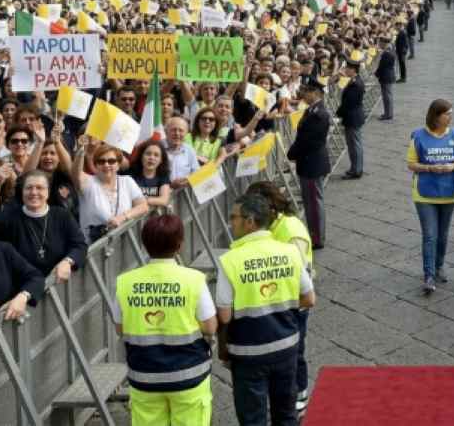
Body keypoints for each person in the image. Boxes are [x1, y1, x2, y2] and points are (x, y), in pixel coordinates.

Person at [216, 194, 315, 426]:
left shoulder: (230, 260)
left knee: (252, 419)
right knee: (286, 415)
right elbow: (309, 299)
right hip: (286, 346)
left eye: (234, 217)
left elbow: (224, 315)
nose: (231, 222)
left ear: (250, 221)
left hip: (247, 352)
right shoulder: (289, 252)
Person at [113, 214, 216, 426]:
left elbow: (120, 328)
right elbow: (210, 327)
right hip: (189, 376)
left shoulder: (125, 282)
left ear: (145, 245)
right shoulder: (194, 279)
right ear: (179, 245)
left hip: (144, 377)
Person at [246, 181, 314, 412]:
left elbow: (299, 274)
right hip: (277, 300)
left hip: (292, 304)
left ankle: (300, 395)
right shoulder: (273, 226)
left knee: (295, 351)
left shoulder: (291, 231)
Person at [407, 99, 454, 294]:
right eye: (447, 114)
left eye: (451, 113)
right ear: (436, 116)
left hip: (449, 192)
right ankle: (429, 275)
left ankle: (439, 265)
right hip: (424, 193)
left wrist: (452, 166)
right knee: (430, 235)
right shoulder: (418, 136)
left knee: (442, 234)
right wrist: (429, 168)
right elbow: (411, 163)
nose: (450, 117)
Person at [0, 170, 86, 283]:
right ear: (22, 191)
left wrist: (68, 261)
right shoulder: (8, 218)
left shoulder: (62, 215)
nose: (34, 192)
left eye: (39, 188)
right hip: (23, 287)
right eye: (29, 188)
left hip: (60, 284)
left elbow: (79, 245)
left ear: (48, 192)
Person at [73, 140, 149, 243]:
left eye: (111, 161)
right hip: (94, 247)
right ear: (95, 165)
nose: (106, 164)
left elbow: (143, 206)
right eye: (101, 161)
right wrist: (81, 151)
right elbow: (76, 173)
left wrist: (123, 217)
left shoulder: (127, 181)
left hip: (123, 244)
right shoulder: (88, 182)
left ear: (118, 164)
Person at [286, 79, 330, 249]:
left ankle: (317, 237)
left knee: (313, 203)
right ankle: (315, 234)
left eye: (306, 91)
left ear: (315, 93)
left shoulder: (318, 114)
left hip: (311, 163)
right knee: (311, 201)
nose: (303, 94)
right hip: (309, 162)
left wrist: (292, 153)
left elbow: (307, 141)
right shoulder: (312, 110)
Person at [337, 59, 365, 180]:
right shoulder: (355, 81)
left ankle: (356, 170)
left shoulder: (355, 84)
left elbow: (348, 103)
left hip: (352, 117)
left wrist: (338, 113)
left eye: (347, 68)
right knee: (354, 144)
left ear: (353, 69)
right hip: (353, 116)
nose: (345, 70)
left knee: (354, 145)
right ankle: (355, 168)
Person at [128, 140, 172, 210]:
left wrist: (141, 201)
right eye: (148, 154)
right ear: (141, 156)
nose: (151, 158)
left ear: (161, 160)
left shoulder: (163, 176)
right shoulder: (131, 174)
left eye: (156, 155)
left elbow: (164, 200)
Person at [376, 37, 396, 121]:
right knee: (388, 95)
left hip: (386, 76)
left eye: (380, 43)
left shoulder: (386, 53)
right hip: (389, 75)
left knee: (387, 96)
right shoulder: (390, 50)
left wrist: (377, 73)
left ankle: (388, 114)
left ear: (383, 43)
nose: (379, 45)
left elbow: (382, 66)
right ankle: (389, 113)